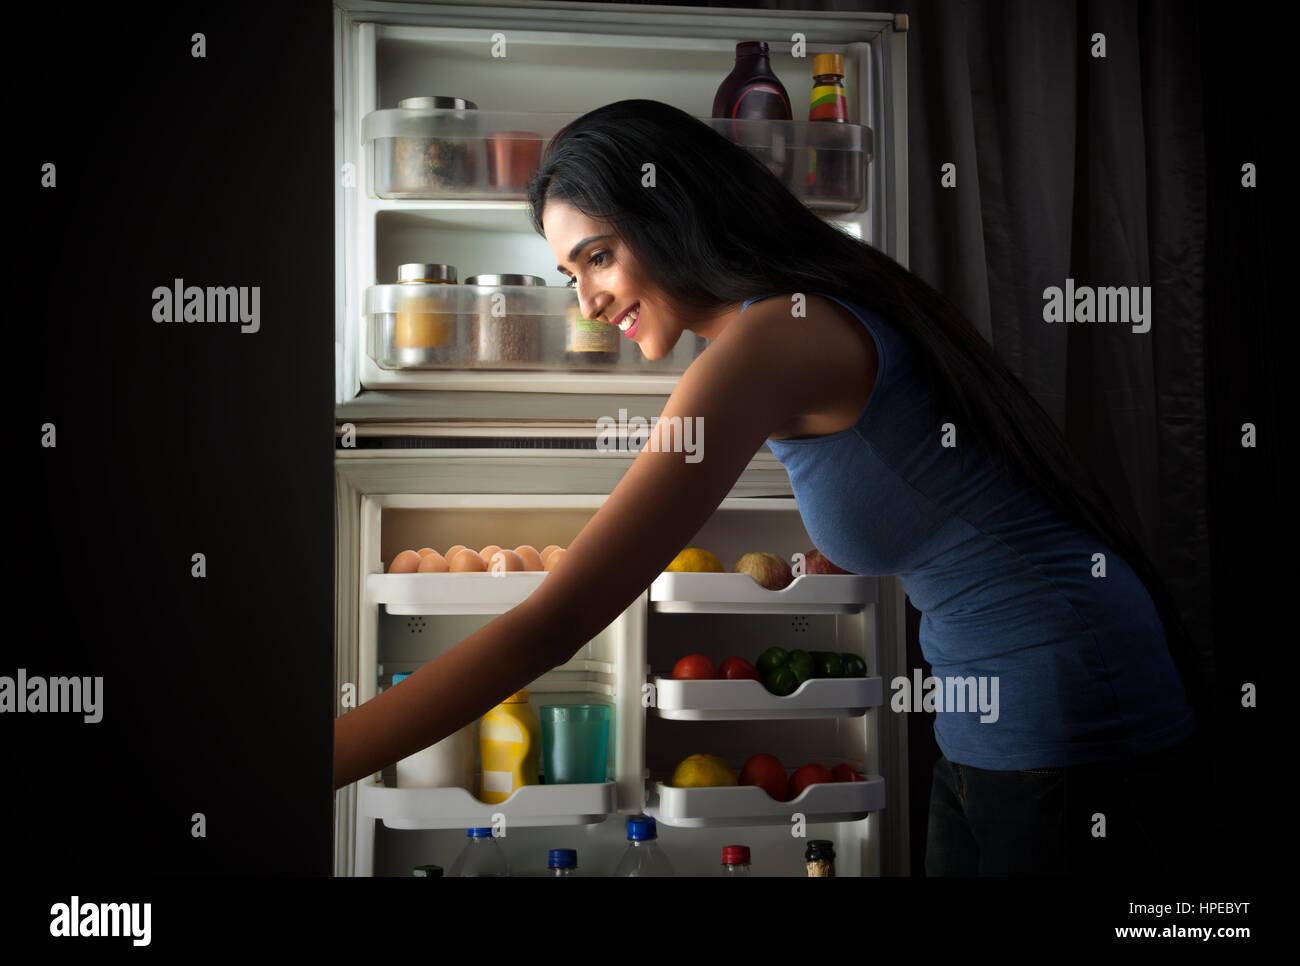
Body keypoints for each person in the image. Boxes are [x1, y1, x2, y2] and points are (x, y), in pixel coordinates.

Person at [333, 100, 1204, 876]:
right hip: (993, 712)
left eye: (597, 257)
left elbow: (552, 625)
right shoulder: (785, 320)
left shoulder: (763, 345)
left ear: (670, 214)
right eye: (570, 277)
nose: (587, 301)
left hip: (1070, 704)